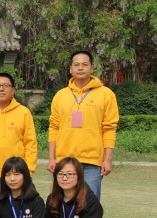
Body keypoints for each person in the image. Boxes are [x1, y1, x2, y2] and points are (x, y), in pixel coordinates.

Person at [48, 51, 119, 201]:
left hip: (92, 162)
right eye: (76, 65)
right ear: (70, 69)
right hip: (65, 160)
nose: (80, 68)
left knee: (90, 205)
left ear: (92, 68)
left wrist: (107, 159)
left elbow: (109, 129)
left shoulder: (106, 94)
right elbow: (54, 127)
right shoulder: (60, 96)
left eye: (85, 64)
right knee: (64, 204)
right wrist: (52, 158)